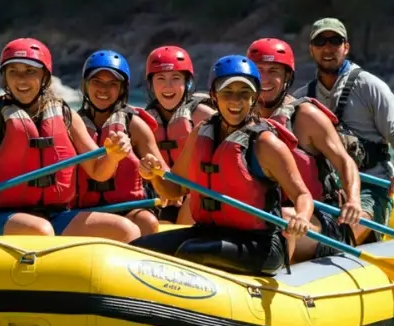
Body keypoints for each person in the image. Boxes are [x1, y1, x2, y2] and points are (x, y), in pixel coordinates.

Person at [132, 55, 341, 277]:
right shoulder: (201, 133)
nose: (235, 101)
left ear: (254, 98)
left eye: (244, 94)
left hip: (260, 246)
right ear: (214, 95)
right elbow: (173, 190)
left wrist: (302, 216)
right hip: (209, 232)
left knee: (191, 252)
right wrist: (154, 175)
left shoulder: (265, 143)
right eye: (227, 93)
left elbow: (302, 195)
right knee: (137, 249)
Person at [0, 38, 141, 243]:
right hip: (2, 218)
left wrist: (113, 157)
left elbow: (98, 171)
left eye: (30, 71)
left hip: (56, 217)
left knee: (127, 230)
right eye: (13, 72)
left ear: (45, 77)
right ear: (4, 78)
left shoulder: (66, 116)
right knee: (40, 231)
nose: (21, 79)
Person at [294, 18, 394, 239]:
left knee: (341, 235)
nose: (328, 48)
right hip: (325, 191)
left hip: (371, 188)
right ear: (311, 49)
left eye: (335, 41)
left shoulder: (370, 87)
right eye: (320, 42)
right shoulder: (302, 98)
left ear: (346, 47)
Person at [247, 38, 363, 260]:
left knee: (279, 217)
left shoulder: (306, 116)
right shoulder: (242, 118)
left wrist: (353, 200)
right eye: (259, 71)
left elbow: (344, 162)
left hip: (321, 219)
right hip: (267, 213)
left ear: (287, 76)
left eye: (274, 71)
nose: (265, 79)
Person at [74, 50, 166, 236]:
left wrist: (155, 174)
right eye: (96, 82)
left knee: (147, 221)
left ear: (122, 89)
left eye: (112, 84)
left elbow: (164, 174)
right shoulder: (72, 125)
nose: (103, 89)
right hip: (83, 211)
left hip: (128, 209)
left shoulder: (135, 126)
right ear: (85, 86)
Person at [144, 45, 215, 223]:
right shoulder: (143, 121)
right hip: (160, 196)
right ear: (151, 84)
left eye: (176, 78)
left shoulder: (204, 116)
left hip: (198, 196)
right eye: (160, 78)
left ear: (187, 82)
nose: (168, 86)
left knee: (192, 200)